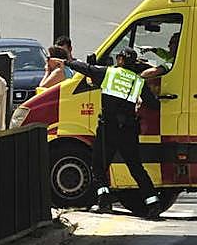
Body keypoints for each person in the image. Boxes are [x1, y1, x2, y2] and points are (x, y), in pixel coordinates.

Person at [65, 48, 163, 218]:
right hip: (128, 129)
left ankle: (104, 201)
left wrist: (67, 61)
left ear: (120, 60)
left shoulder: (108, 73)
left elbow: (85, 68)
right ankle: (153, 203)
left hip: (108, 128)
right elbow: (154, 105)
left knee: (99, 165)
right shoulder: (137, 81)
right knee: (136, 167)